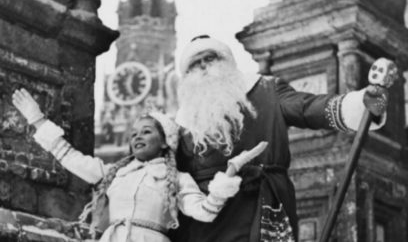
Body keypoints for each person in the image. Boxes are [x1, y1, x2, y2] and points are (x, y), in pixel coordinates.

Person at [171, 35, 390, 242]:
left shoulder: (265, 90)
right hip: (204, 223)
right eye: (194, 63)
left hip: (260, 206)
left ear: (227, 62)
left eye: (210, 58)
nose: (203, 66)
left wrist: (362, 103)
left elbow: (308, 108)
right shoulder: (178, 124)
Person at [12, 88, 242, 242]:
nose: (137, 137)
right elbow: (69, 156)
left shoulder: (178, 179)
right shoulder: (115, 173)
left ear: (164, 141)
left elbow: (204, 212)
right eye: (133, 134)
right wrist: (37, 120)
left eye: (146, 132)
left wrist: (226, 180)